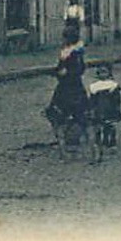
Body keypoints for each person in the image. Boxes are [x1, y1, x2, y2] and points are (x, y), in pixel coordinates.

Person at [44, 24, 88, 152]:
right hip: (70, 85)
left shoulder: (72, 52)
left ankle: (71, 135)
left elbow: (77, 68)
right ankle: (72, 134)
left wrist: (64, 73)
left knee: (65, 109)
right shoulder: (71, 50)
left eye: (65, 37)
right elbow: (64, 66)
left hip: (69, 86)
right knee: (73, 109)